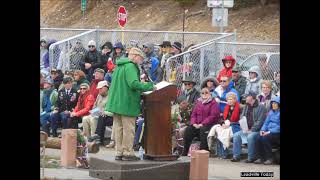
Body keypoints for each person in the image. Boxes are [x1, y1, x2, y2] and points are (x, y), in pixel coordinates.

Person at [105, 47, 155, 161]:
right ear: (135, 56)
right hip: (127, 103)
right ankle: (128, 153)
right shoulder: (131, 66)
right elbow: (133, 84)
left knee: (118, 128)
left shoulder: (120, 65)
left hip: (117, 103)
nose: (141, 61)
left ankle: (119, 152)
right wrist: (150, 86)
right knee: (128, 129)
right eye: (140, 58)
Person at [182, 87, 220, 156]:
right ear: (200, 94)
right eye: (203, 93)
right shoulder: (198, 102)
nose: (204, 94)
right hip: (198, 124)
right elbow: (193, 115)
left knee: (203, 130)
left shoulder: (213, 103)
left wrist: (202, 124)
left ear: (210, 94)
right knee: (188, 130)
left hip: (209, 124)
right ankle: (185, 151)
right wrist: (194, 123)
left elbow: (213, 116)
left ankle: (203, 152)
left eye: (206, 93)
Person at [231, 91, 267, 163]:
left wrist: (252, 130)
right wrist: (243, 126)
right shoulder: (246, 106)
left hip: (257, 131)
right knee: (236, 135)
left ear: (252, 97)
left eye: (247, 96)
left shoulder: (261, 107)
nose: (245, 98)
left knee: (250, 136)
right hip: (246, 129)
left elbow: (260, 121)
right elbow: (242, 117)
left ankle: (251, 157)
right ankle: (236, 156)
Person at [254, 96, 280, 165]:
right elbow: (266, 123)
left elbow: (279, 127)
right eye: (272, 103)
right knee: (258, 137)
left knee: (265, 138)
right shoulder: (271, 112)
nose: (273, 105)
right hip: (268, 131)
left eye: (275, 103)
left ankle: (269, 158)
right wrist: (262, 130)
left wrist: (269, 132)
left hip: (277, 133)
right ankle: (260, 157)